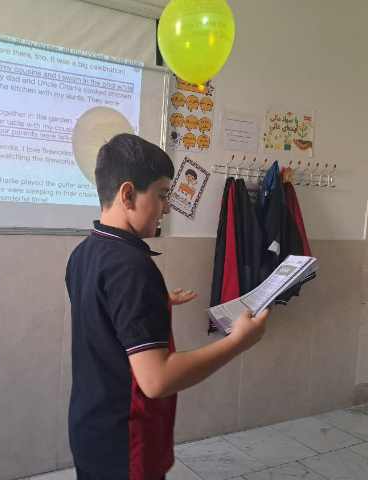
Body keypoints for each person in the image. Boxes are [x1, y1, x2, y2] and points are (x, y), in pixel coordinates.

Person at [65, 133, 269, 480]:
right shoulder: (131, 268)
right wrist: (238, 342)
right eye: (161, 195)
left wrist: (152, 302)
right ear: (128, 194)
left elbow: (103, 320)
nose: (167, 208)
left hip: (91, 427)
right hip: (126, 443)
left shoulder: (85, 253)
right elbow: (156, 380)